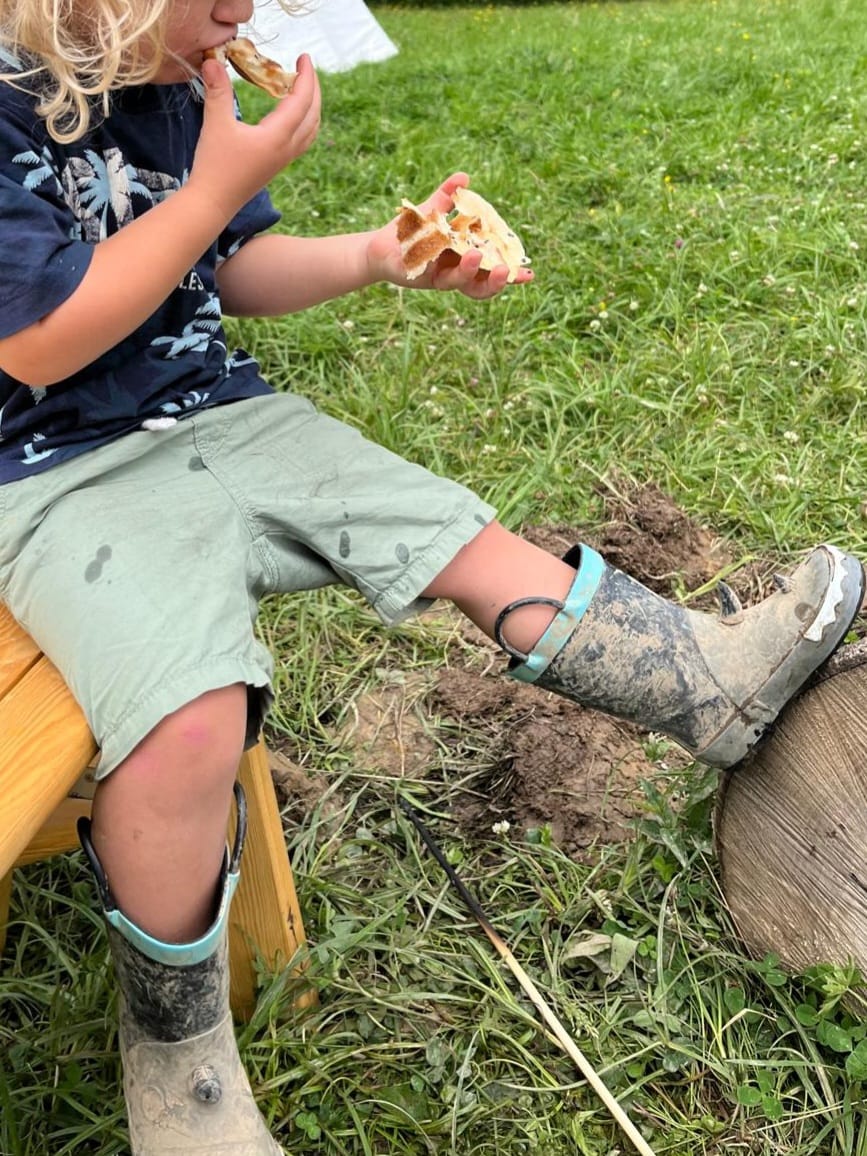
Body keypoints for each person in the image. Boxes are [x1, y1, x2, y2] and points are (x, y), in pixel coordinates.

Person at [0, 0, 863, 1152]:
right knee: (189, 720)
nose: (242, 13)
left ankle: (705, 678)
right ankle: (177, 1055)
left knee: (454, 533)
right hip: (57, 478)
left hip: (222, 415)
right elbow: (41, 335)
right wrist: (210, 190)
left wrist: (376, 256)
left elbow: (231, 266)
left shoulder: (180, 82)